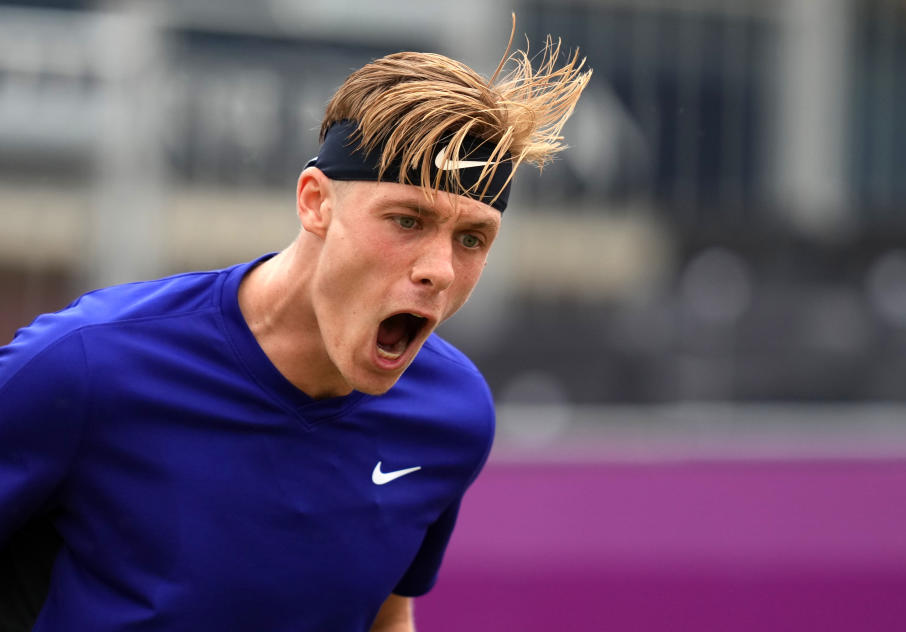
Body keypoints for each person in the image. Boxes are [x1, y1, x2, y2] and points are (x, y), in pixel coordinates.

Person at [0, 23, 590, 632]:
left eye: (472, 239)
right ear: (315, 202)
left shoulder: (454, 414)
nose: (439, 271)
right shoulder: (86, 359)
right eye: (407, 221)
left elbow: (387, 613)